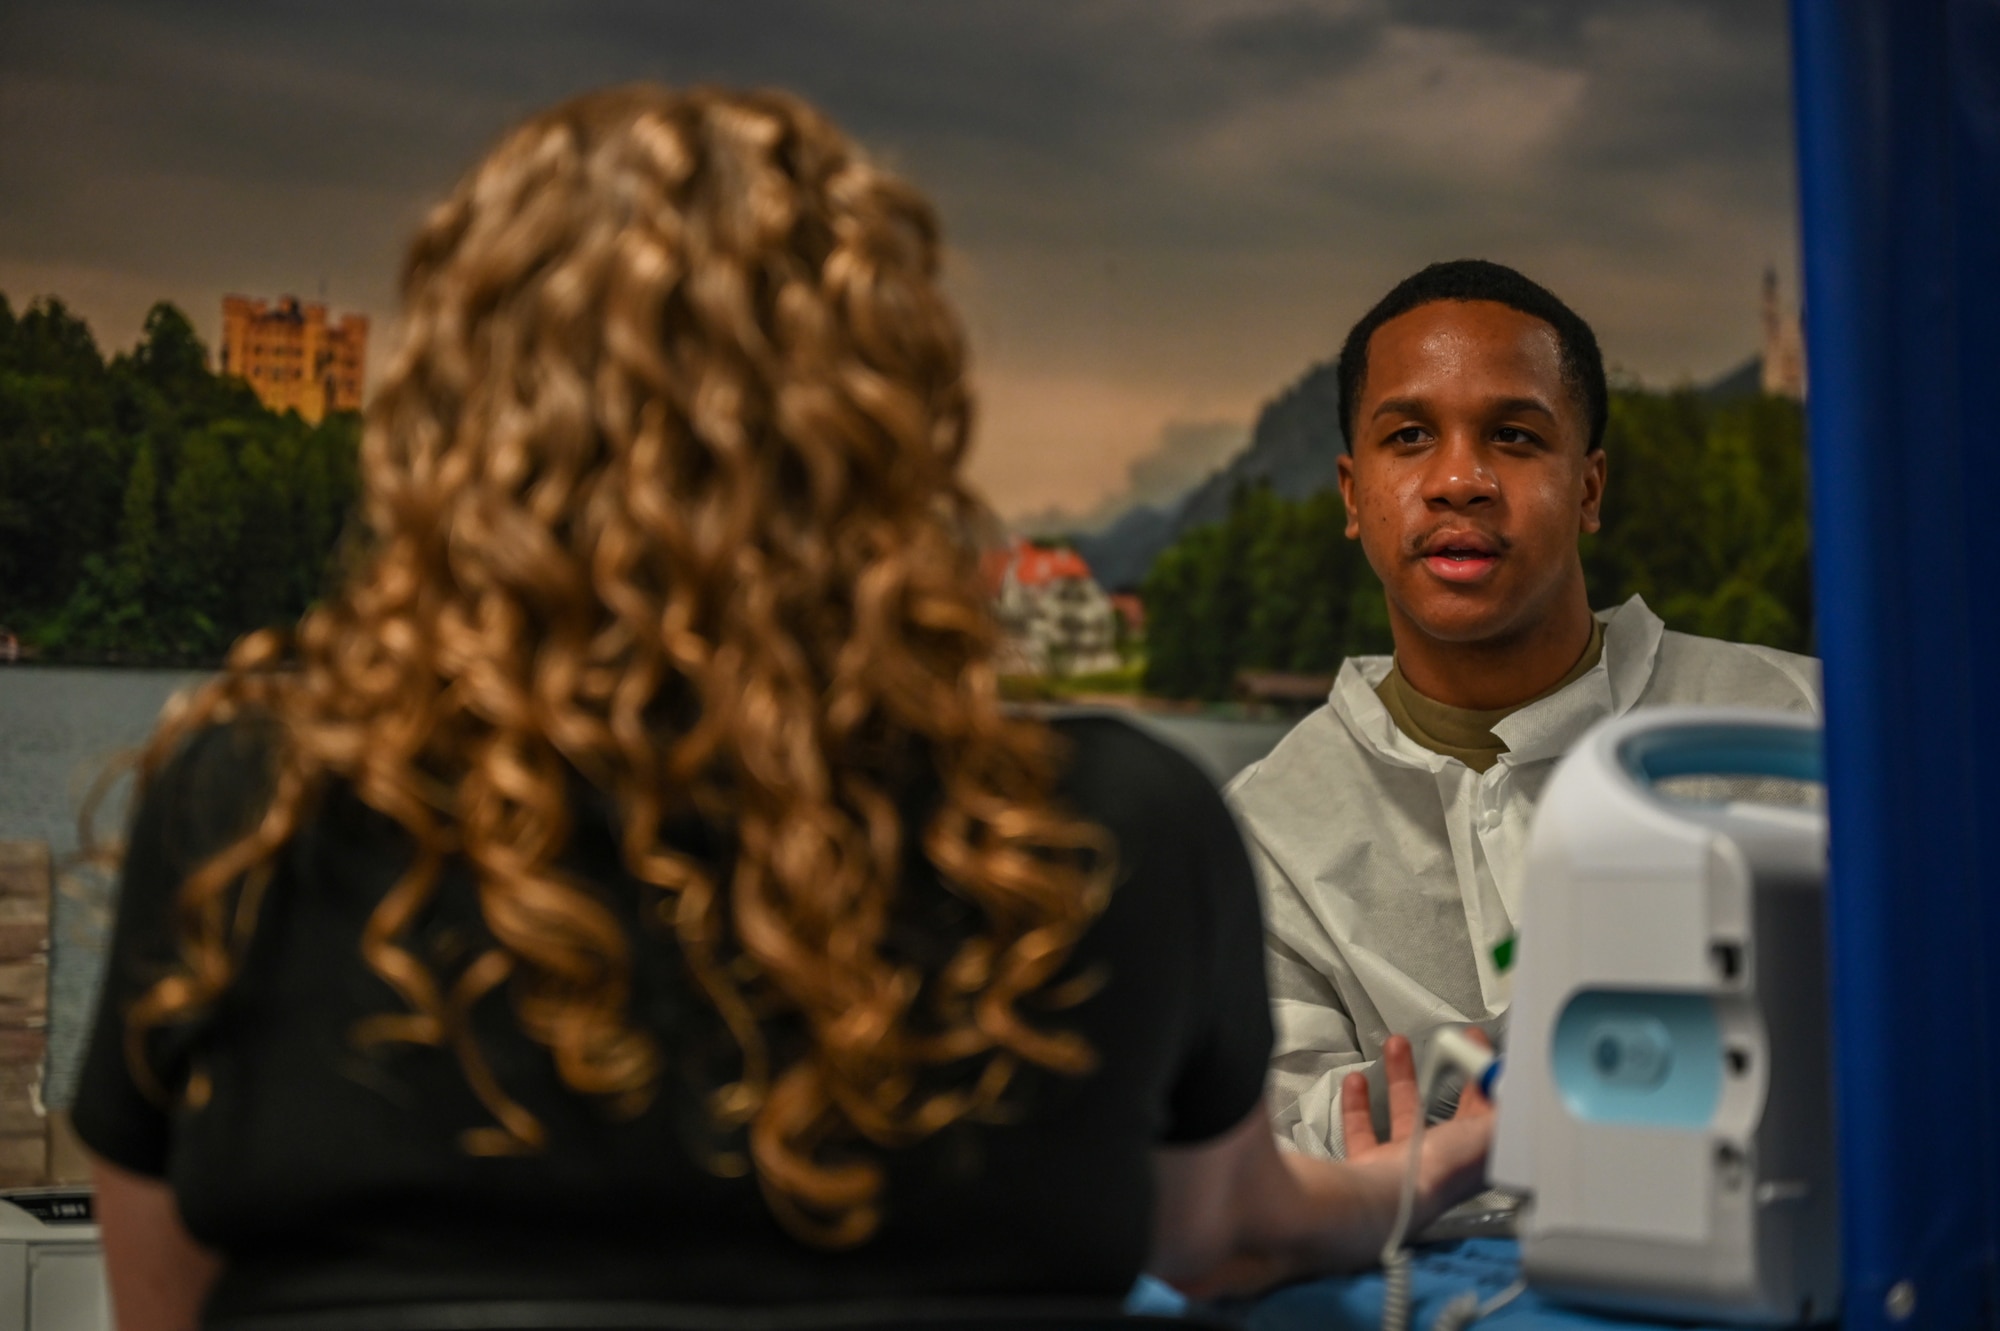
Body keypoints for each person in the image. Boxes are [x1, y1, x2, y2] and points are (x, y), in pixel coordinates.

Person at [72, 87, 1491, 1330]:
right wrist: (1418, 1173)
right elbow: (1219, 1232)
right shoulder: (1111, 829)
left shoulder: (248, 807)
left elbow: (175, 1309)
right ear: (885, 415)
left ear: (464, 414)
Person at [1226, 260, 1821, 1160]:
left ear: (1588, 487)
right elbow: (1280, 1154)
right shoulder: (1267, 835)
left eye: (1512, 435)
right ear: (1353, 494)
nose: (1459, 480)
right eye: (1411, 436)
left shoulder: (1804, 725)